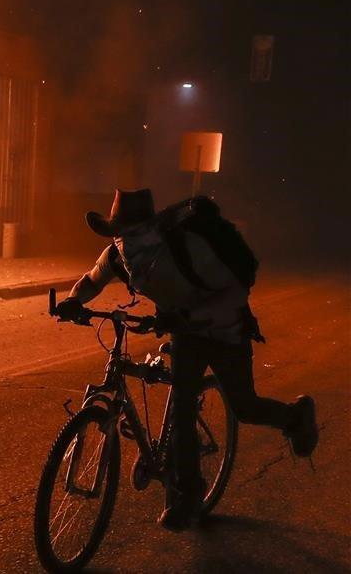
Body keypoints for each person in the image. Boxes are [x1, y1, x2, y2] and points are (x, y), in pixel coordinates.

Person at [57, 188, 318, 531]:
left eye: (131, 233)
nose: (125, 243)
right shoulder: (119, 254)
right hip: (185, 332)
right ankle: (189, 498)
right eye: (118, 234)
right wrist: (73, 301)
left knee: (244, 407)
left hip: (225, 330)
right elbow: (92, 280)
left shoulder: (185, 247)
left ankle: (296, 417)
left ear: (149, 229)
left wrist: (194, 317)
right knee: (181, 407)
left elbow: (237, 288)